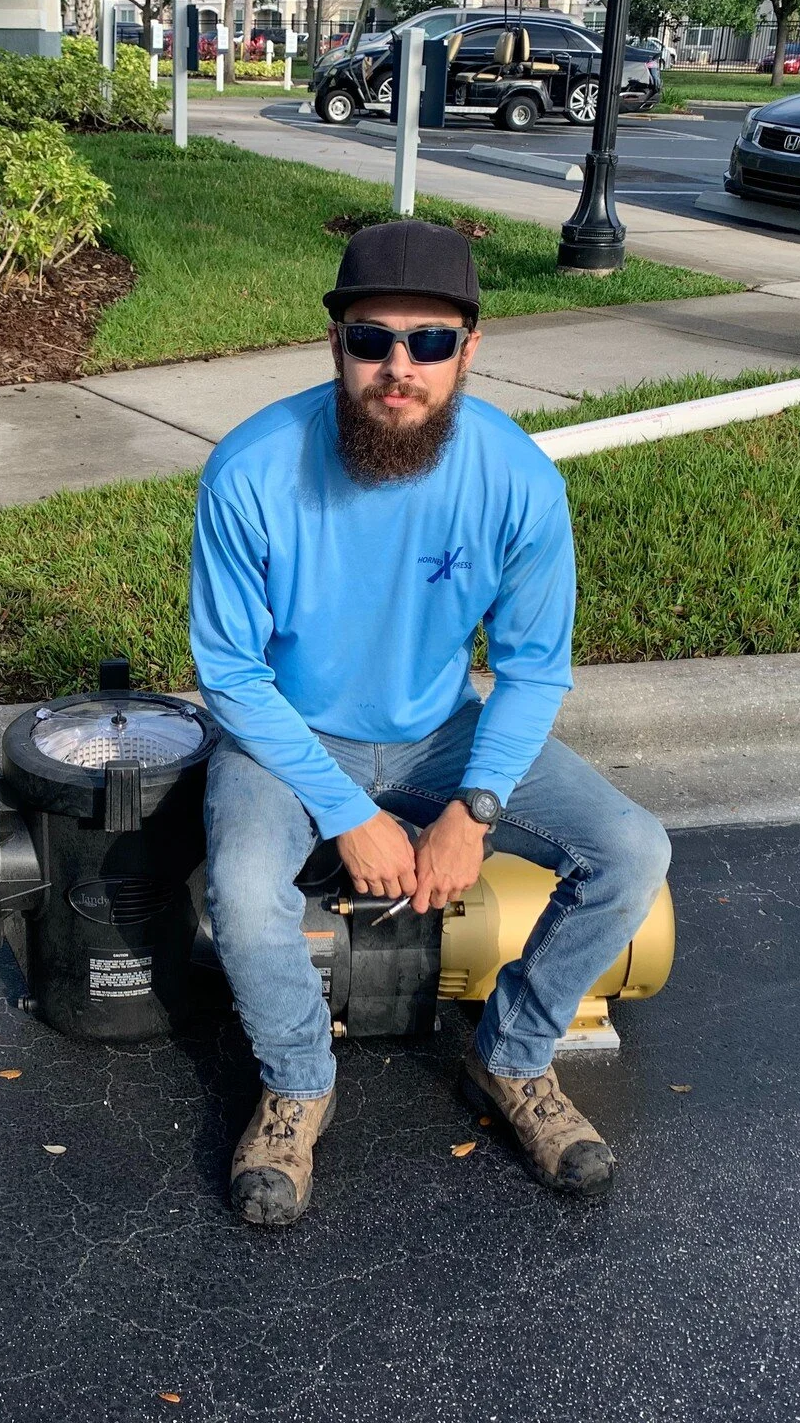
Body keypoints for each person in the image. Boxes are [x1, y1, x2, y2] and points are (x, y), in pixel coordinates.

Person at [188, 218, 672, 1227]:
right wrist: (343, 812)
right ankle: (297, 1084)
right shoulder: (250, 472)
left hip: (442, 731)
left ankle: (513, 1058)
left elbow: (535, 672)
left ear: (469, 352)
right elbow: (230, 673)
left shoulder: (517, 479)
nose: (397, 368)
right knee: (242, 883)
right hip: (290, 734)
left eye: (429, 342)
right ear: (337, 344)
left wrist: (473, 811)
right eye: (372, 339)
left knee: (632, 848)